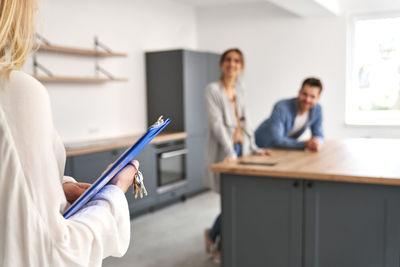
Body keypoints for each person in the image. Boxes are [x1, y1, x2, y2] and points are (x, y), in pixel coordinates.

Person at [0, 1, 138, 266]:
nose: (36, 10)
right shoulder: (16, 91)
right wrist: (114, 192)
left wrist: (56, 188)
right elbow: (54, 251)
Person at [203, 48, 270, 263]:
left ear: (241, 67)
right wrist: (230, 152)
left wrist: (256, 148)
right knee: (232, 201)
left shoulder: (240, 90)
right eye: (229, 60)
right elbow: (217, 125)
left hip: (243, 149)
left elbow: (246, 122)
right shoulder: (212, 89)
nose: (233, 64)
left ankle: (213, 234)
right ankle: (222, 247)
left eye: (237, 61)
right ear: (222, 64)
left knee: (239, 200)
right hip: (226, 151)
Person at [255, 77, 324, 151]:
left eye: (312, 96)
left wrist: (316, 142)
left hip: (282, 150)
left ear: (318, 98)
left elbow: (318, 134)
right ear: (299, 92)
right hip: (261, 147)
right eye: (304, 94)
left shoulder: (317, 110)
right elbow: (276, 140)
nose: (307, 99)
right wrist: (305, 144)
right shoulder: (281, 107)